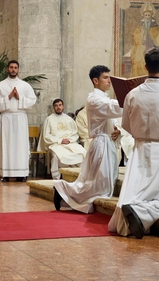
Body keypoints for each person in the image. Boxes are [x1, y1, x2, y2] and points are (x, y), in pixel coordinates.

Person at [108, 48, 159, 239]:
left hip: (140, 148)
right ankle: (142, 214)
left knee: (137, 188)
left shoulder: (133, 94)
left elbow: (126, 123)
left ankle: (133, 211)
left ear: (145, 66)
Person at [53, 65, 123, 213]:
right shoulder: (94, 99)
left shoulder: (103, 97)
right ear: (95, 80)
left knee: (102, 183)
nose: (109, 81)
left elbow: (113, 118)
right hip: (101, 143)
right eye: (106, 77)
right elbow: (113, 108)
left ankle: (64, 195)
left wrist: (118, 130)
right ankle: (62, 189)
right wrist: (130, 98)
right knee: (98, 185)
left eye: (109, 77)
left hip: (108, 142)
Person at [0, 60, 36, 182]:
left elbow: (32, 100)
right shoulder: (0, 86)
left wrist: (19, 98)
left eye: (15, 67)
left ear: (18, 69)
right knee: (7, 145)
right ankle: (5, 173)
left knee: (20, 145)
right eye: (11, 67)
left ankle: (21, 174)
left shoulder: (25, 86)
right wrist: (8, 97)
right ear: (7, 69)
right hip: (6, 119)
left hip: (20, 118)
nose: (13, 70)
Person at [38, 99, 87, 180]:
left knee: (82, 152)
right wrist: (60, 140)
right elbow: (46, 136)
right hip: (56, 144)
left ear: (63, 106)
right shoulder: (49, 119)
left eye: (60, 105)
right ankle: (56, 178)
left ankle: (80, 176)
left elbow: (75, 133)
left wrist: (69, 140)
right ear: (54, 107)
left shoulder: (69, 119)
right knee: (56, 156)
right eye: (56, 105)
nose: (58, 107)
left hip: (70, 143)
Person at [131, 3, 159, 77]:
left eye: (148, 15)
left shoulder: (155, 26)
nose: (147, 17)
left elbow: (157, 36)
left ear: (151, 16)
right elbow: (135, 35)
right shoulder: (140, 26)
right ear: (143, 16)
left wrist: (150, 34)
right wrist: (141, 35)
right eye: (145, 15)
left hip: (151, 44)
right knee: (137, 59)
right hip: (142, 45)